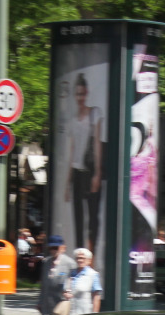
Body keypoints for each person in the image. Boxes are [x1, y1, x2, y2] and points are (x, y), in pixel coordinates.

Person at [65, 74, 103, 253]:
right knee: (78, 217)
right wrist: (67, 184)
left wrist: (97, 172)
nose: (80, 98)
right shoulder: (72, 120)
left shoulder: (95, 113)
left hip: (90, 171)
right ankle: (80, 254)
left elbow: (97, 143)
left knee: (93, 217)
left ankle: (91, 254)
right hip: (77, 171)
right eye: (77, 94)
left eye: (82, 94)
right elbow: (71, 152)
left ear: (86, 93)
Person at [38, 235, 75, 315]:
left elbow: (73, 281)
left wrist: (69, 292)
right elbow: (43, 285)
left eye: (56, 247)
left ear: (62, 247)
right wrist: (40, 301)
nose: (53, 250)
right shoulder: (46, 262)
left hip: (61, 306)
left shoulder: (70, 263)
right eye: (51, 248)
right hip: (47, 305)